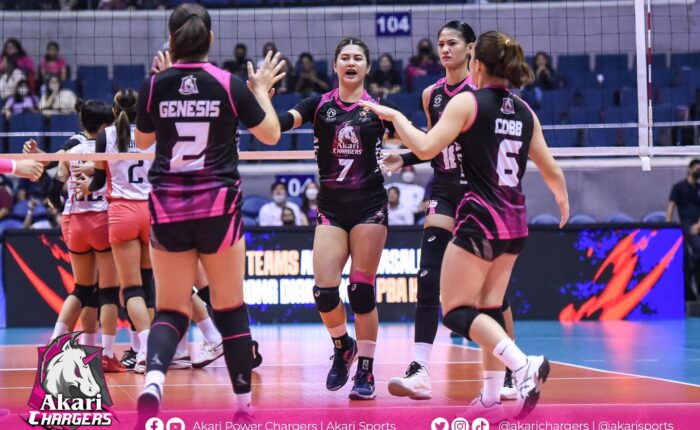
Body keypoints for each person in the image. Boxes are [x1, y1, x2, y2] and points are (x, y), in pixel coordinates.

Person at [360, 30, 569, 420]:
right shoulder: (524, 110)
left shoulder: (467, 102)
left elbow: (426, 146)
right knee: (488, 308)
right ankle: (490, 398)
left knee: (455, 311)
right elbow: (552, 170)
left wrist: (395, 117)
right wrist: (563, 202)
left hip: (480, 219)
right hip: (515, 223)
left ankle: (523, 364)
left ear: (477, 63)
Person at [133, 3, 283, 425]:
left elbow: (142, 142)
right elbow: (271, 134)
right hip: (218, 207)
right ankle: (243, 407)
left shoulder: (154, 86)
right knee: (230, 306)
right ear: (210, 40)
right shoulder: (228, 84)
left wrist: (163, 87)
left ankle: (153, 382)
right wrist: (260, 90)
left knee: (170, 309)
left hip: (168, 207)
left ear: (171, 40)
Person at [275, 37, 399, 400]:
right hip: (331, 208)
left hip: (369, 207)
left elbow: (422, 144)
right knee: (324, 291)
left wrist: (404, 152)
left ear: (367, 67)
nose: (351, 62)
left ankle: (366, 370)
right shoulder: (318, 105)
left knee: (360, 290)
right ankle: (343, 345)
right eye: (345, 57)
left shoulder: (380, 108)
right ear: (335, 66)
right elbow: (276, 126)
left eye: (358, 58)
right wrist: (262, 100)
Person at [381, 21, 480, 400]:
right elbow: (433, 144)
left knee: (488, 292)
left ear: (470, 48)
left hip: (478, 192)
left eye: (452, 43)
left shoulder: (480, 92)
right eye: (440, 43)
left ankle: (508, 371)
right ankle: (419, 369)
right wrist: (405, 158)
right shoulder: (431, 94)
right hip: (444, 189)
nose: (445, 49)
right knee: (427, 277)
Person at [77, 89, 155, 373]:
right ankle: (148, 350)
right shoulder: (153, 132)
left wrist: (86, 187)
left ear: (114, 111)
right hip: (151, 210)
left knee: (131, 289)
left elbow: (98, 182)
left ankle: (145, 350)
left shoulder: (106, 136)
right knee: (148, 285)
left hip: (123, 213)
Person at [45, 99, 124, 372]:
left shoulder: (72, 150)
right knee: (108, 292)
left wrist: (64, 208)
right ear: (103, 127)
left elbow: (52, 192)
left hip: (75, 221)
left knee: (82, 288)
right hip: (101, 221)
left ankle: (56, 344)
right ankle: (107, 354)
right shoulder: (110, 149)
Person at [666, 159, 700, 301]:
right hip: (686, 224)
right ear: (689, 169)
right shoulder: (679, 187)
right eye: (696, 169)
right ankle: (689, 292)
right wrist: (667, 224)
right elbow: (671, 205)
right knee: (685, 258)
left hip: (697, 225)